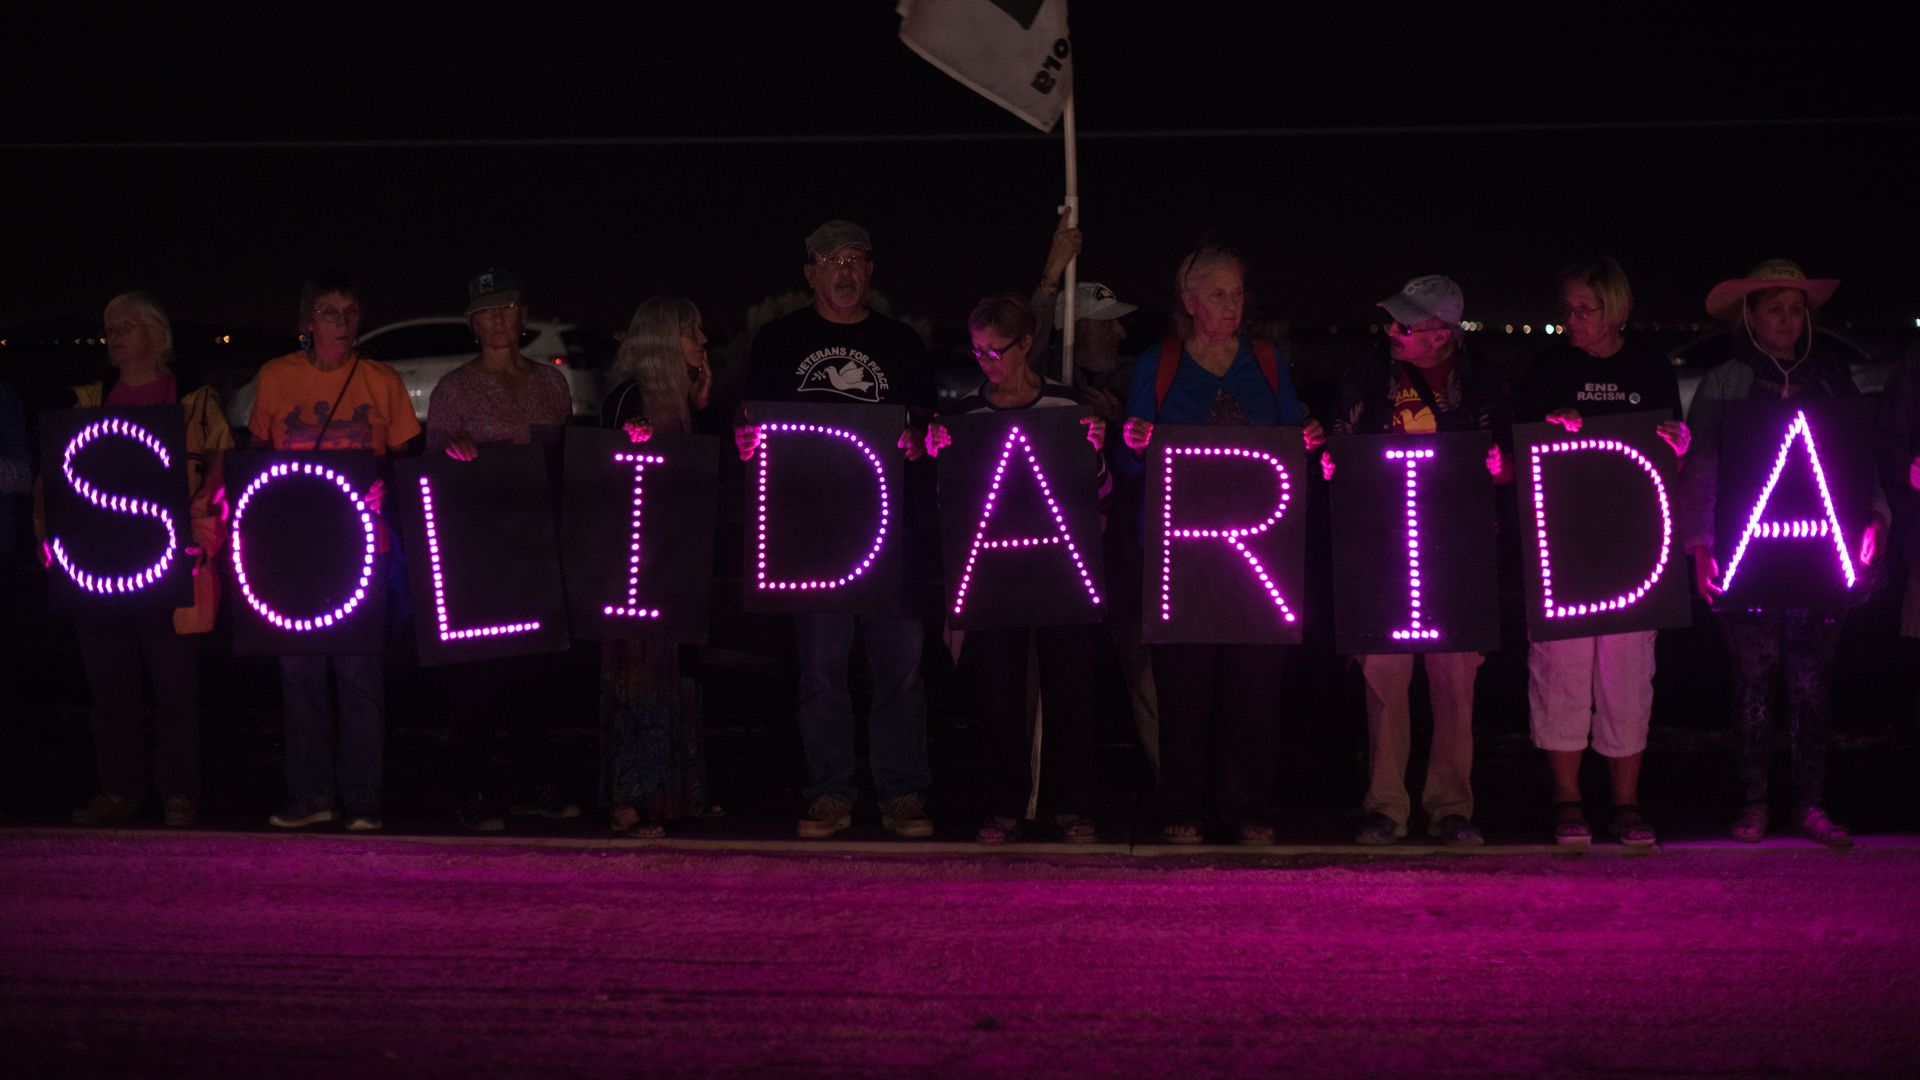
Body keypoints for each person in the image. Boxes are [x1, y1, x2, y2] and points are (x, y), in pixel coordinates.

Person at [737, 219, 939, 839]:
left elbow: (932, 430)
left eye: (856, 259)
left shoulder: (901, 344)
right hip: (811, 541)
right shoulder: (777, 341)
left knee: (900, 670)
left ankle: (903, 793)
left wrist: (919, 440)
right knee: (821, 670)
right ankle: (829, 792)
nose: (845, 271)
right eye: (832, 261)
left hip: (890, 534)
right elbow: (748, 427)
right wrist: (745, 442)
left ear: (870, 270)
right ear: (810, 273)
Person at [1118, 246, 1324, 845]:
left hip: (1258, 553)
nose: (1231, 306)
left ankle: (1250, 805)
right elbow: (1134, 470)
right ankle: (1181, 803)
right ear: (1188, 301)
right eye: (1217, 294)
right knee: (1183, 686)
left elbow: (1292, 444)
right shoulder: (1159, 364)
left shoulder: (1265, 361)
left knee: (1254, 684)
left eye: (1237, 294)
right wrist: (1134, 447)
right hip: (1180, 557)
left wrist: (1307, 438)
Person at [1679, 259, 1885, 849]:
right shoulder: (1724, 382)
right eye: (1776, 308)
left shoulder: (1833, 379)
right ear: (1751, 316)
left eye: (1797, 309)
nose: (1789, 320)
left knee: (1812, 683)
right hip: (1747, 558)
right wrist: (1699, 544)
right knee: (1751, 679)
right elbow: (1703, 468)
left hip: (1823, 556)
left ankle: (1811, 804)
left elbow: (1857, 457)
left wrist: (1874, 517)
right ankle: (1751, 803)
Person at [32, 292, 231, 827]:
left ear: (155, 335)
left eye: (126, 326)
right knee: (110, 688)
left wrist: (202, 540)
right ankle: (119, 790)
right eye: (109, 328)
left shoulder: (195, 402)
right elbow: (50, 481)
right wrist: (51, 539)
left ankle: (178, 793)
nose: (114, 335)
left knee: (174, 688)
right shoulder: (86, 403)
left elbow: (219, 478)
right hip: (96, 570)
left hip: (169, 567)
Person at [1326, 274, 1509, 848]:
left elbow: (1506, 464)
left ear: (1443, 334)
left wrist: (1500, 467)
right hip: (1383, 548)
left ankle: (1452, 807)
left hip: (1457, 553)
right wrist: (1332, 463)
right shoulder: (1368, 371)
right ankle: (1385, 806)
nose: (1392, 332)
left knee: (1454, 682)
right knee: (1383, 679)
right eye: (1393, 321)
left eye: (1406, 325)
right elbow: (1340, 441)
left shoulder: (1482, 381)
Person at [1515, 257, 1689, 849]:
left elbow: (1673, 447)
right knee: (1561, 670)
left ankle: (1625, 802)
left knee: (1628, 674)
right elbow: (1520, 451)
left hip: (1634, 550)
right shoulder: (1547, 367)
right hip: (1561, 549)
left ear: (1615, 308)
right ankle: (1566, 800)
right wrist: (1548, 429)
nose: (1572, 319)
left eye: (1584, 309)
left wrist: (1677, 444)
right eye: (1565, 308)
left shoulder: (1650, 366)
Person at [924, 293, 1110, 844]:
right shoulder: (965, 417)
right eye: (978, 353)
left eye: (996, 352)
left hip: (1062, 567)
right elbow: (949, 507)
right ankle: (1002, 803)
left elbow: (1101, 495)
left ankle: (1070, 802)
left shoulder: (1065, 408)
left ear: (1026, 344)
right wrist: (941, 457)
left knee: (1070, 687)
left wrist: (1095, 453)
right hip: (995, 572)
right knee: (999, 689)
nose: (987, 364)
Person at [249, 270, 421, 832]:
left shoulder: (381, 380)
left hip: (362, 550)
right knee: (299, 675)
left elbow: (407, 463)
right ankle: (311, 793)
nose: (342, 322)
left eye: (350, 311)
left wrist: (383, 487)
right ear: (307, 321)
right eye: (329, 311)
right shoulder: (276, 378)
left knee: (359, 675)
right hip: (294, 553)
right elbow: (257, 459)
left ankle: (363, 797)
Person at [425, 269, 579, 832]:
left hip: (538, 547)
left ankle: (531, 784)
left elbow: (566, 460)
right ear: (472, 323)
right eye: (485, 311)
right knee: (478, 678)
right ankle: (469, 788)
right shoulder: (454, 389)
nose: (497, 320)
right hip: (480, 552)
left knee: (535, 677)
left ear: (523, 315)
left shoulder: (551, 384)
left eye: (506, 309)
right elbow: (432, 468)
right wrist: (453, 451)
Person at [598, 294, 720, 839]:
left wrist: (703, 403)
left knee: (679, 676)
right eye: (692, 332)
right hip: (636, 572)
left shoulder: (683, 404)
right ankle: (632, 798)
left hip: (671, 563)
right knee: (642, 680)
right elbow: (610, 475)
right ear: (663, 342)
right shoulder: (630, 400)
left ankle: (676, 795)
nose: (702, 342)